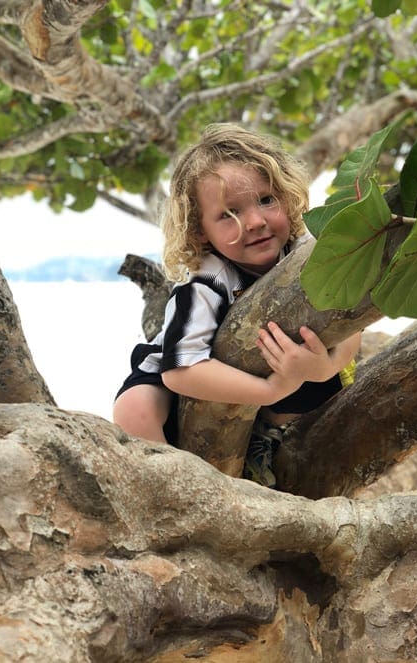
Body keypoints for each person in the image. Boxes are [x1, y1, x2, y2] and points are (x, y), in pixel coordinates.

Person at [113, 123, 361, 488]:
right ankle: (167, 489)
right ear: (200, 231)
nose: (255, 222)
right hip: (186, 373)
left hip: (285, 382)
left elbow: (351, 319)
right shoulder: (206, 281)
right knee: (133, 409)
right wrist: (269, 391)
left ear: (287, 196)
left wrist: (324, 368)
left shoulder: (307, 250)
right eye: (229, 215)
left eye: (266, 200)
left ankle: (267, 442)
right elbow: (179, 368)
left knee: (324, 389)